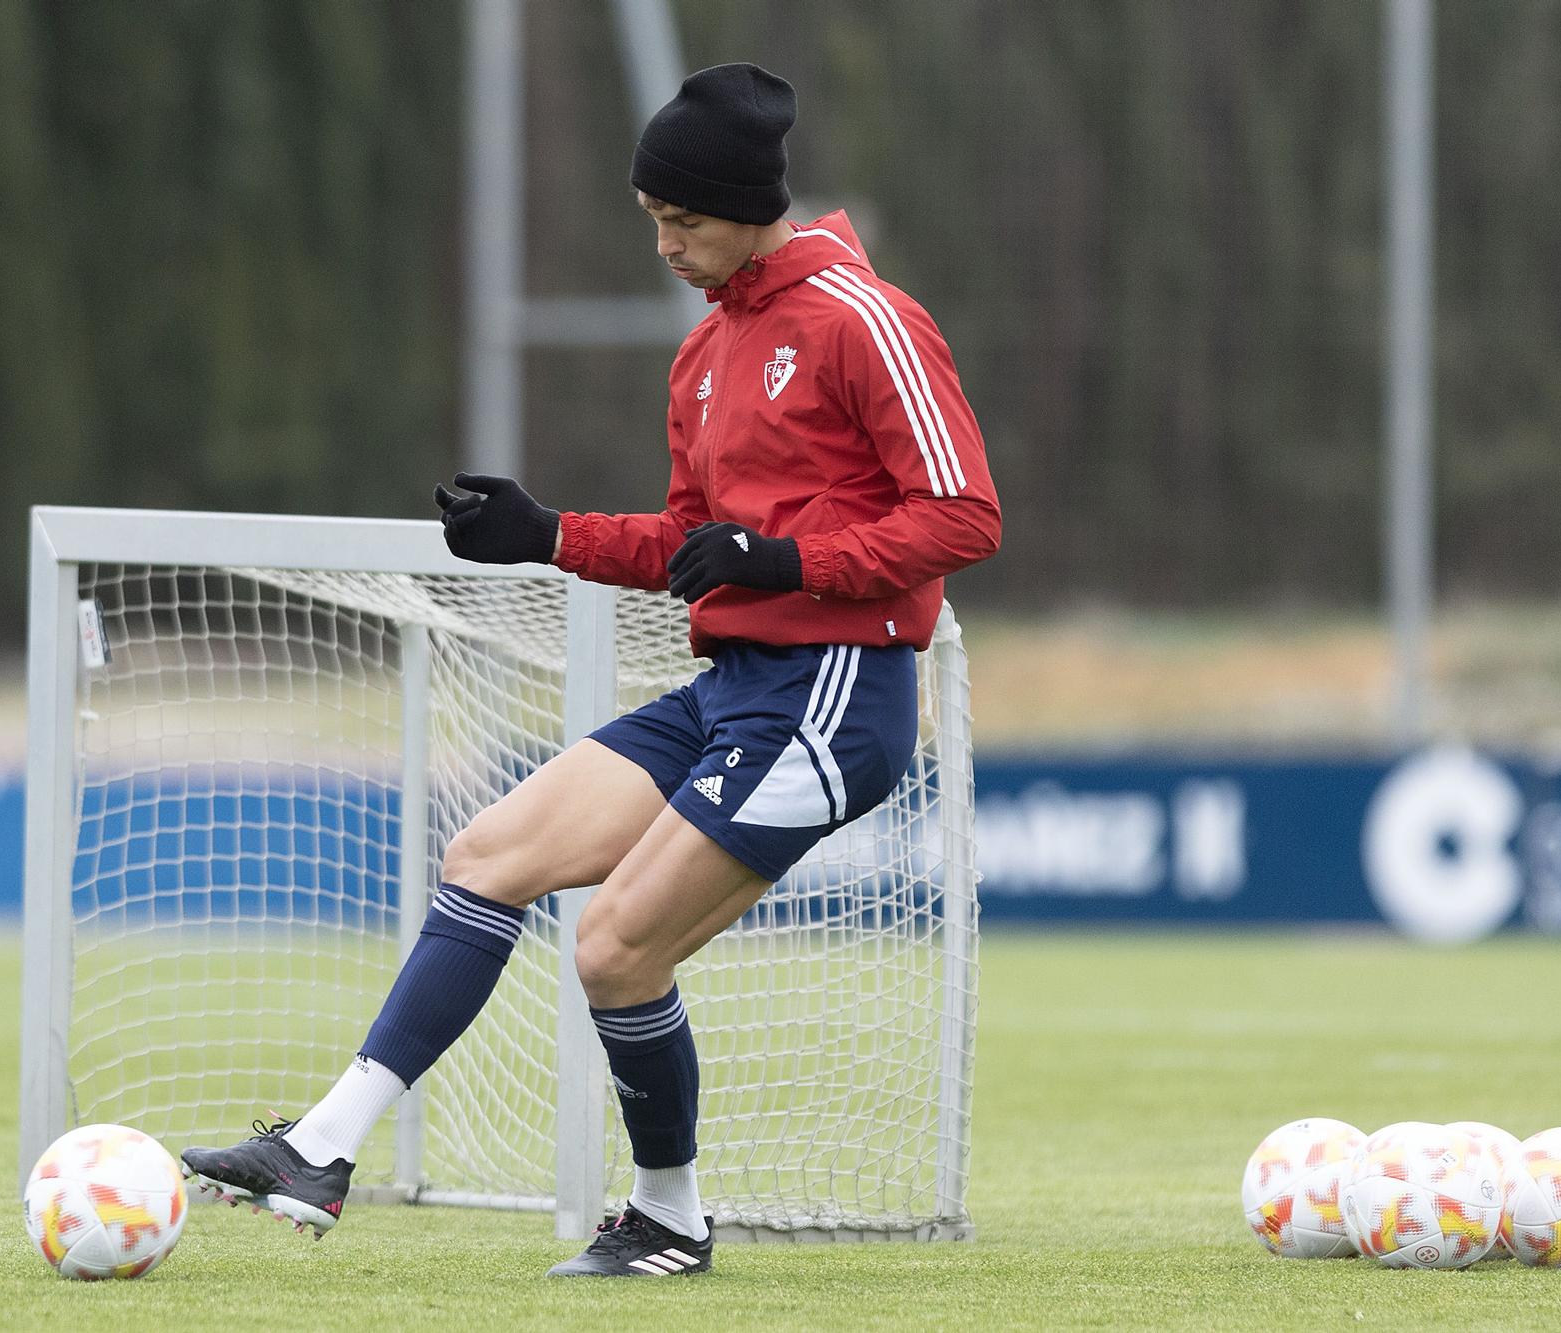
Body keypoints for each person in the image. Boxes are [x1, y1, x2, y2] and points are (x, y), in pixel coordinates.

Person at [180, 61, 1000, 1278]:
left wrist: (784, 558)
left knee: (614, 947)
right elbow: (688, 547)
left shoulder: (861, 317)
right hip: (734, 687)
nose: (666, 245)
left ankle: (669, 1218)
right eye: (652, 221)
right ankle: (322, 1144)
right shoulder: (705, 354)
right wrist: (544, 533)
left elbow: (964, 516)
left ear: (751, 205)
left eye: (686, 221)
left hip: (835, 693)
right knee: (487, 856)